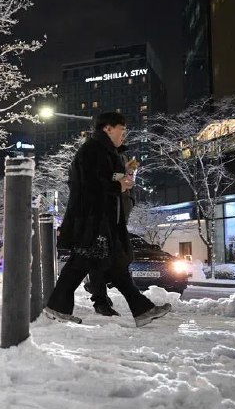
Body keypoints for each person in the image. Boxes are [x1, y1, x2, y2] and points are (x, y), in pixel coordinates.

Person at [44, 112, 170, 327]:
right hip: (92, 221)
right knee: (82, 264)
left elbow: (103, 180)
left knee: (113, 266)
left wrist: (124, 173)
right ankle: (57, 307)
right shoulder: (92, 151)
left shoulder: (104, 151)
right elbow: (89, 187)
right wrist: (118, 185)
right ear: (107, 128)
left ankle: (142, 310)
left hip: (101, 221)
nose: (124, 134)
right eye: (121, 129)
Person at [85, 145, 138, 316]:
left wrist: (129, 172)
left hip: (119, 210)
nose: (123, 135)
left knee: (122, 256)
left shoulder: (121, 155)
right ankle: (100, 298)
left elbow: (125, 183)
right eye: (120, 131)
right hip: (102, 215)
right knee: (101, 258)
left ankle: (98, 291)